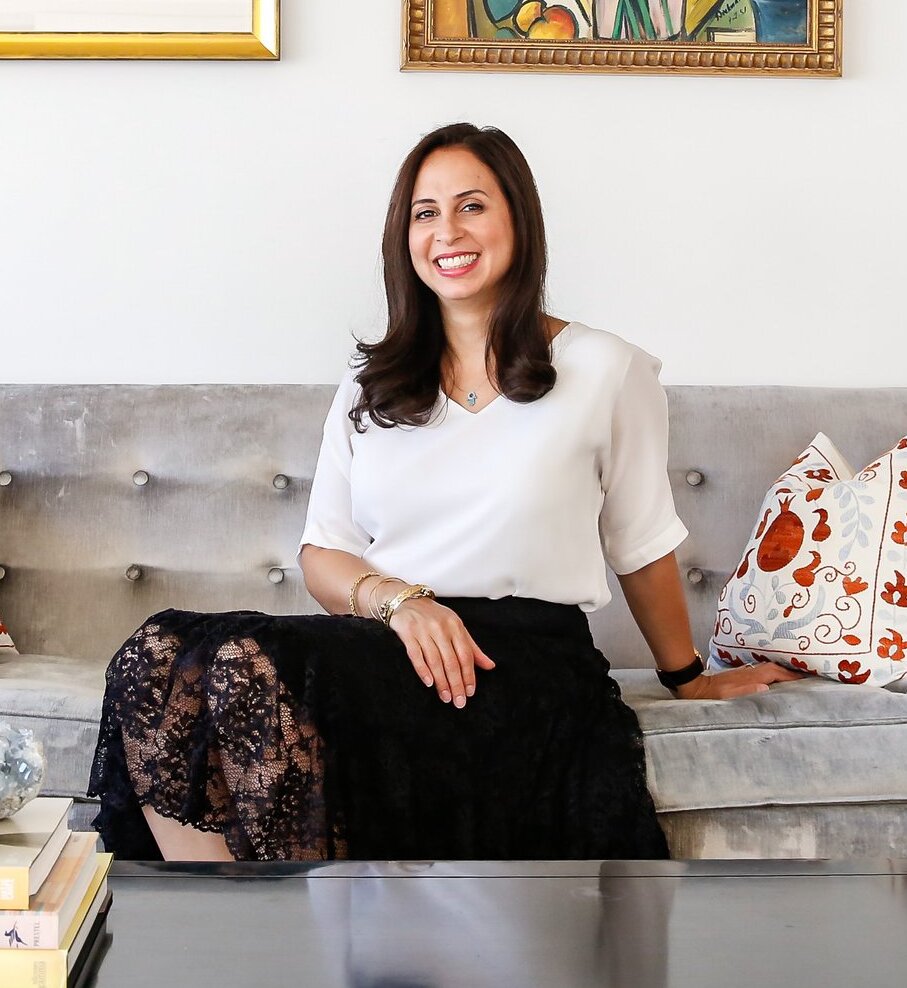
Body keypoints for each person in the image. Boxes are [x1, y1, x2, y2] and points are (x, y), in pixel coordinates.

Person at [88, 122, 799, 862]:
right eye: (424, 214)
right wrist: (402, 603)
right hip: (392, 641)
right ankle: (227, 934)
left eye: (471, 206)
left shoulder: (604, 367)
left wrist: (684, 676)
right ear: (405, 237)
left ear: (518, 219)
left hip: (520, 664)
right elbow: (324, 555)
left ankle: (279, 937)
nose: (446, 232)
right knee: (157, 650)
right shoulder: (370, 385)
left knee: (240, 662)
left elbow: (641, 540)